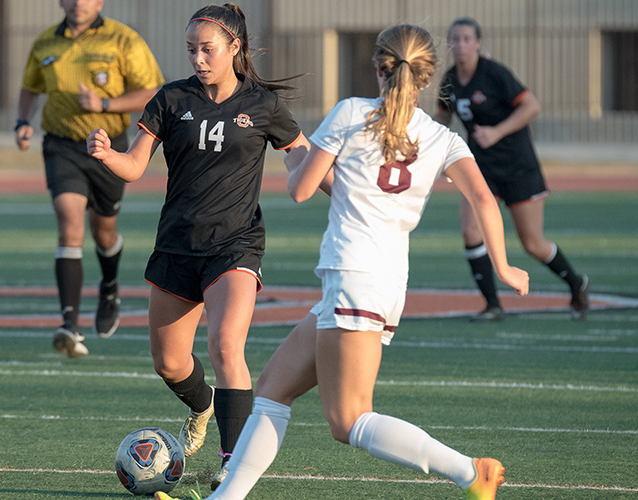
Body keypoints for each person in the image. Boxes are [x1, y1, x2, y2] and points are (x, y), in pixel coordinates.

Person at [155, 24, 530, 500]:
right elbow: (482, 196)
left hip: (356, 277)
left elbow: (300, 189)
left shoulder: (352, 113)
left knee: (348, 419)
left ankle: (470, 472)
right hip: (380, 282)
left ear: (378, 68)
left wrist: (306, 163)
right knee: (272, 389)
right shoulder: (440, 137)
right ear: (428, 76)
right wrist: (502, 265)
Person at [87, 3, 306, 490]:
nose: (198, 58)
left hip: (236, 246)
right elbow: (135, 165)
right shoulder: (170, 99)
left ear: (235, 48)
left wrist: (334, 178)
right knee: (169, 363)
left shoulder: (263, 105)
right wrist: (107, 155)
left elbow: (304, 158)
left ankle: (233, 462)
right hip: (177, 246)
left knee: (227, 344)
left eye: (207, 49)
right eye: (191, 49)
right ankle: (202, 404)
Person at [15, 0, 164, 357]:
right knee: (69, 225)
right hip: (61, 146)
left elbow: (154, 91)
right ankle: (69, 324)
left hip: (107, 147)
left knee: (104, 231)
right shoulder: (45, 42)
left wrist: (105, 105)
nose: (79, 3)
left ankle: (109, 286)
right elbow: (29, 87)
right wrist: (22, 122)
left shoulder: (123, 39)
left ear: (99, 2)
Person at [434, 17, 589, 322]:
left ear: (478, 43)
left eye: (467, 38)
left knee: (532, 243)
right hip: (481, 168)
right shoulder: (450, 78)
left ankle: (576, 282)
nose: (461, 44)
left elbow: (531, 105)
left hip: (518, 166)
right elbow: (441, 117)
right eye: (455, 39)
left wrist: (496, 132)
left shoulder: (494, 74)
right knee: (470, 230)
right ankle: (493, 305)